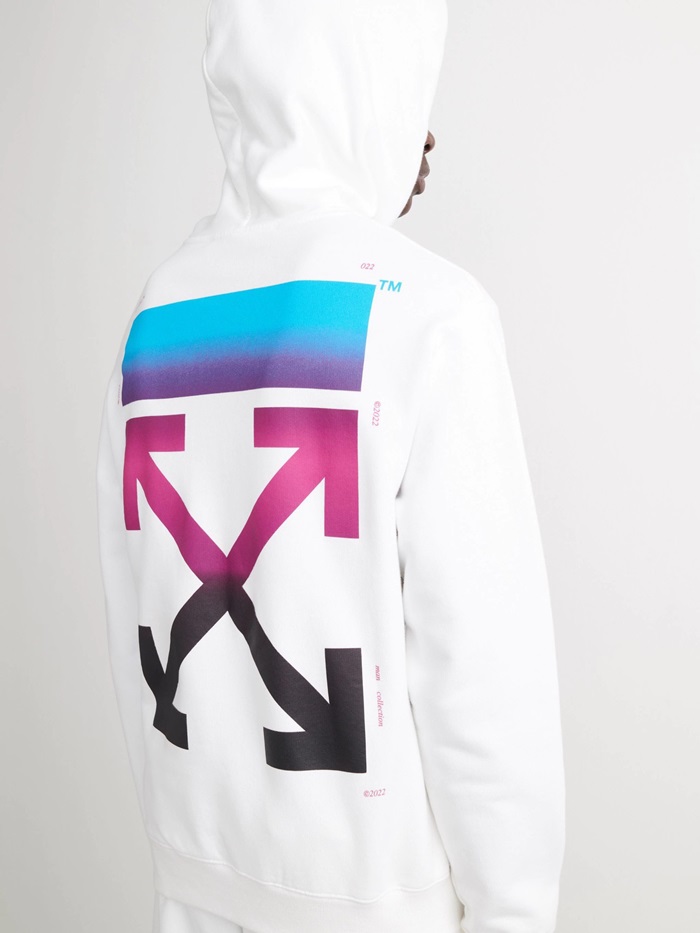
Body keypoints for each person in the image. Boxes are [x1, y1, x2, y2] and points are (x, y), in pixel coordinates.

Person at [96, 2, 566, 932]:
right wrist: (514, 910)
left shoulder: (157, 313)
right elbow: (483, 682)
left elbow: (130, 599)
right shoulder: (433, 315)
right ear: (372, 79)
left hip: (192, 891)